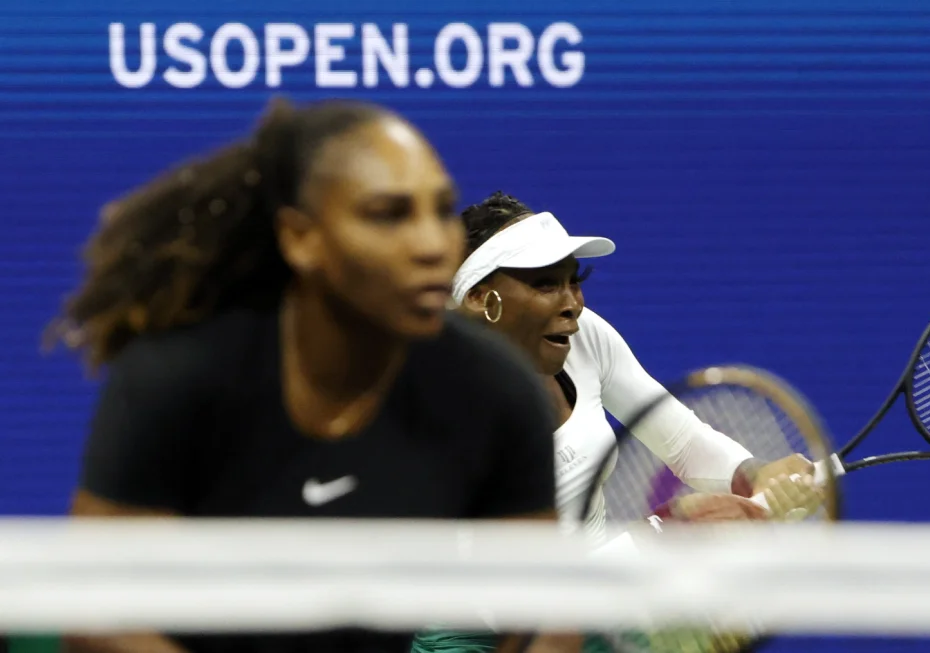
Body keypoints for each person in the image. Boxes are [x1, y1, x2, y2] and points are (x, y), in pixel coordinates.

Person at [46, 99, 564, 653]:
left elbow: (547, 617)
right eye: (388, 214)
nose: (433, 245)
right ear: (301, 238)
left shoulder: (493, 388)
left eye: (440, 211)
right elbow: (97, 613)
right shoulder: (177, 376)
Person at [409, 192, 823, 653]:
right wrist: (661, 538)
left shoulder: (585, 338)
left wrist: (754, 477)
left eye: (574, 281)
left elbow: (683, 440)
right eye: (547, 284)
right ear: (481, 299)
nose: (573, 305)